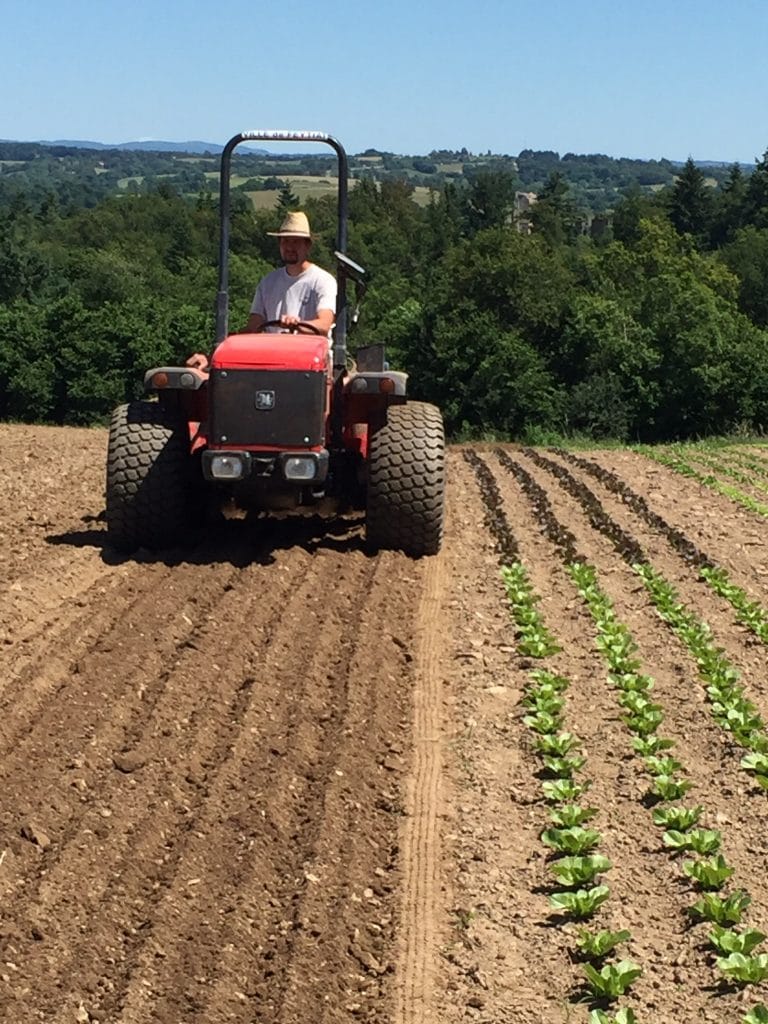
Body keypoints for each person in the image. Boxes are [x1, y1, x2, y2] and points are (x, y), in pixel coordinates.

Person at [186, 210, 337, 369]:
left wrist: (297, 324)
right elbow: (252, 329)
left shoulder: (322, 281)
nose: (289, 247)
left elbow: (324, 324)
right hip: (273, 361)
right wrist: (213, 356)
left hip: (312, 365)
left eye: (296, 242)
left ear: (307, 246)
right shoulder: (268, 283)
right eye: (285, 241)